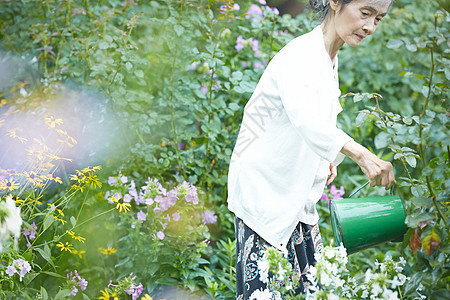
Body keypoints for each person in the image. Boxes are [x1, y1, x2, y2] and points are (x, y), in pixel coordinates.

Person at [227, 0, 396, 298]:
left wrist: (322, 160)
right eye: (365, 13)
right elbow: (305, 118)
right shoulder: (301, 55)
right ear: (335, 2)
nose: (370, 26)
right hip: (265, 191)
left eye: (379, 18)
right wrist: (362, 154)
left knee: (316, 289)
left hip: (294, 194)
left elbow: (311, 120)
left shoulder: (328, 56)